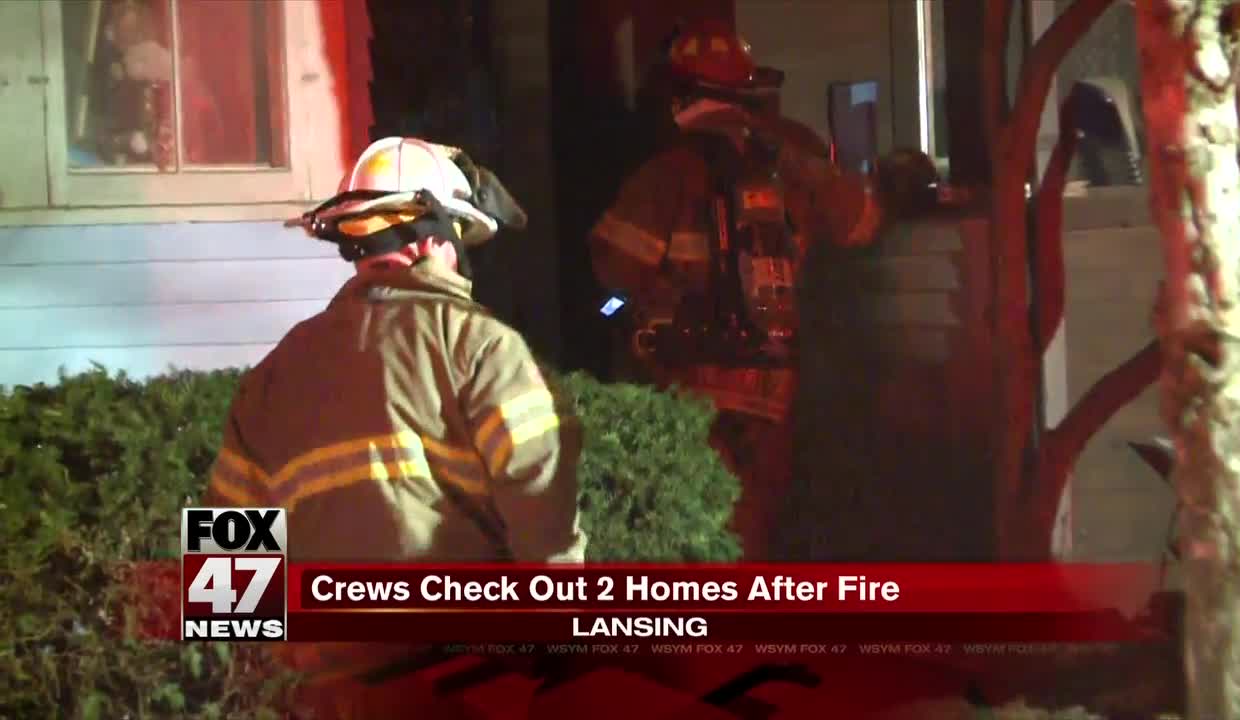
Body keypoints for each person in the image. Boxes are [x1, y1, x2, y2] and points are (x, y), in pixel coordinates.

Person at [201, 136, 586, 715]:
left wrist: (271, 679)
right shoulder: (479, 347)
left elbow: (226, 578)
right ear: (436, 238)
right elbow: (544, 520)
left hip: (326, 696)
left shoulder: (274, 375)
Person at [589, 21, 880, 561]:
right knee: (756, 529)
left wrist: (621, 317)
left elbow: (611, 277)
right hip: (774, 389)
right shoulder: (789, 168)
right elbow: (862, 224)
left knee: (691, 541)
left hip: (686, 391)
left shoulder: (664, 176)